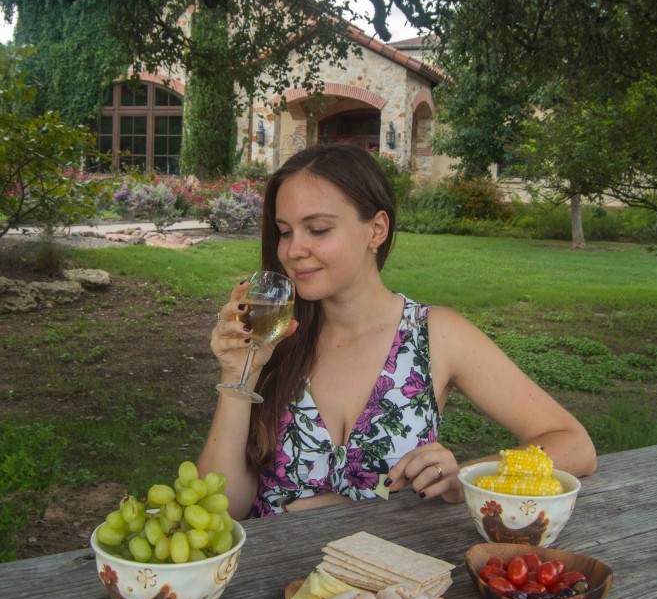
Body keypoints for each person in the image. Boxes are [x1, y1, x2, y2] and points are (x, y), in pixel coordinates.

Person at [198, 144, 597, 520]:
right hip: (267, 582)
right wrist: (238, 375)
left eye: (317, 229)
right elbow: (222, 509)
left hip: (389, 584)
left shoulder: (434, 335)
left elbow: (574, 444)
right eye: (285, 231)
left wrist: (467, 478)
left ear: (376, 230)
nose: (292, 250)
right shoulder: (275, 335)